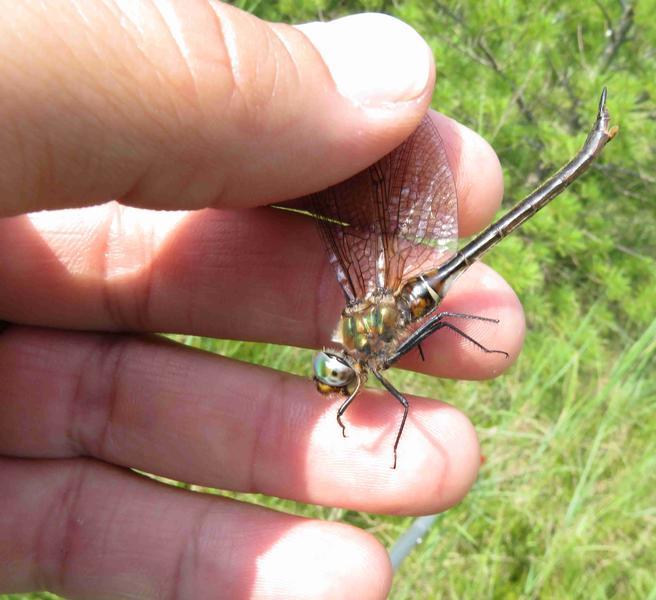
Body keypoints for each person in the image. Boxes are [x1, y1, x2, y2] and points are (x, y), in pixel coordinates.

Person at [0, 3, 523, 598]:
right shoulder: (360, 340)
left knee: (443, 326)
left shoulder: (367, 344)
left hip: (414, 291)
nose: (334, 378)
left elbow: (403, 401)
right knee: (440, 325)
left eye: (336, 374)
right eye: (336, 374)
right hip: (400, 297)